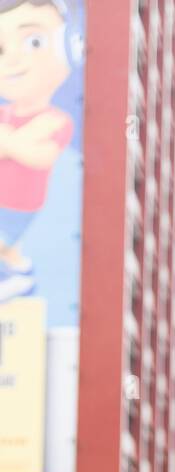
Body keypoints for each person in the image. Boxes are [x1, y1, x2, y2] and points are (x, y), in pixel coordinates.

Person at [0, 0, 75, 301]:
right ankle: (20, 272)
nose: (13, 60)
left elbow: (40, 155)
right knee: (8, 245)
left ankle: (16, 276)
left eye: (34, 41)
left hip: (22, 202)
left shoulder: (56, 119)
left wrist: (10, 143)